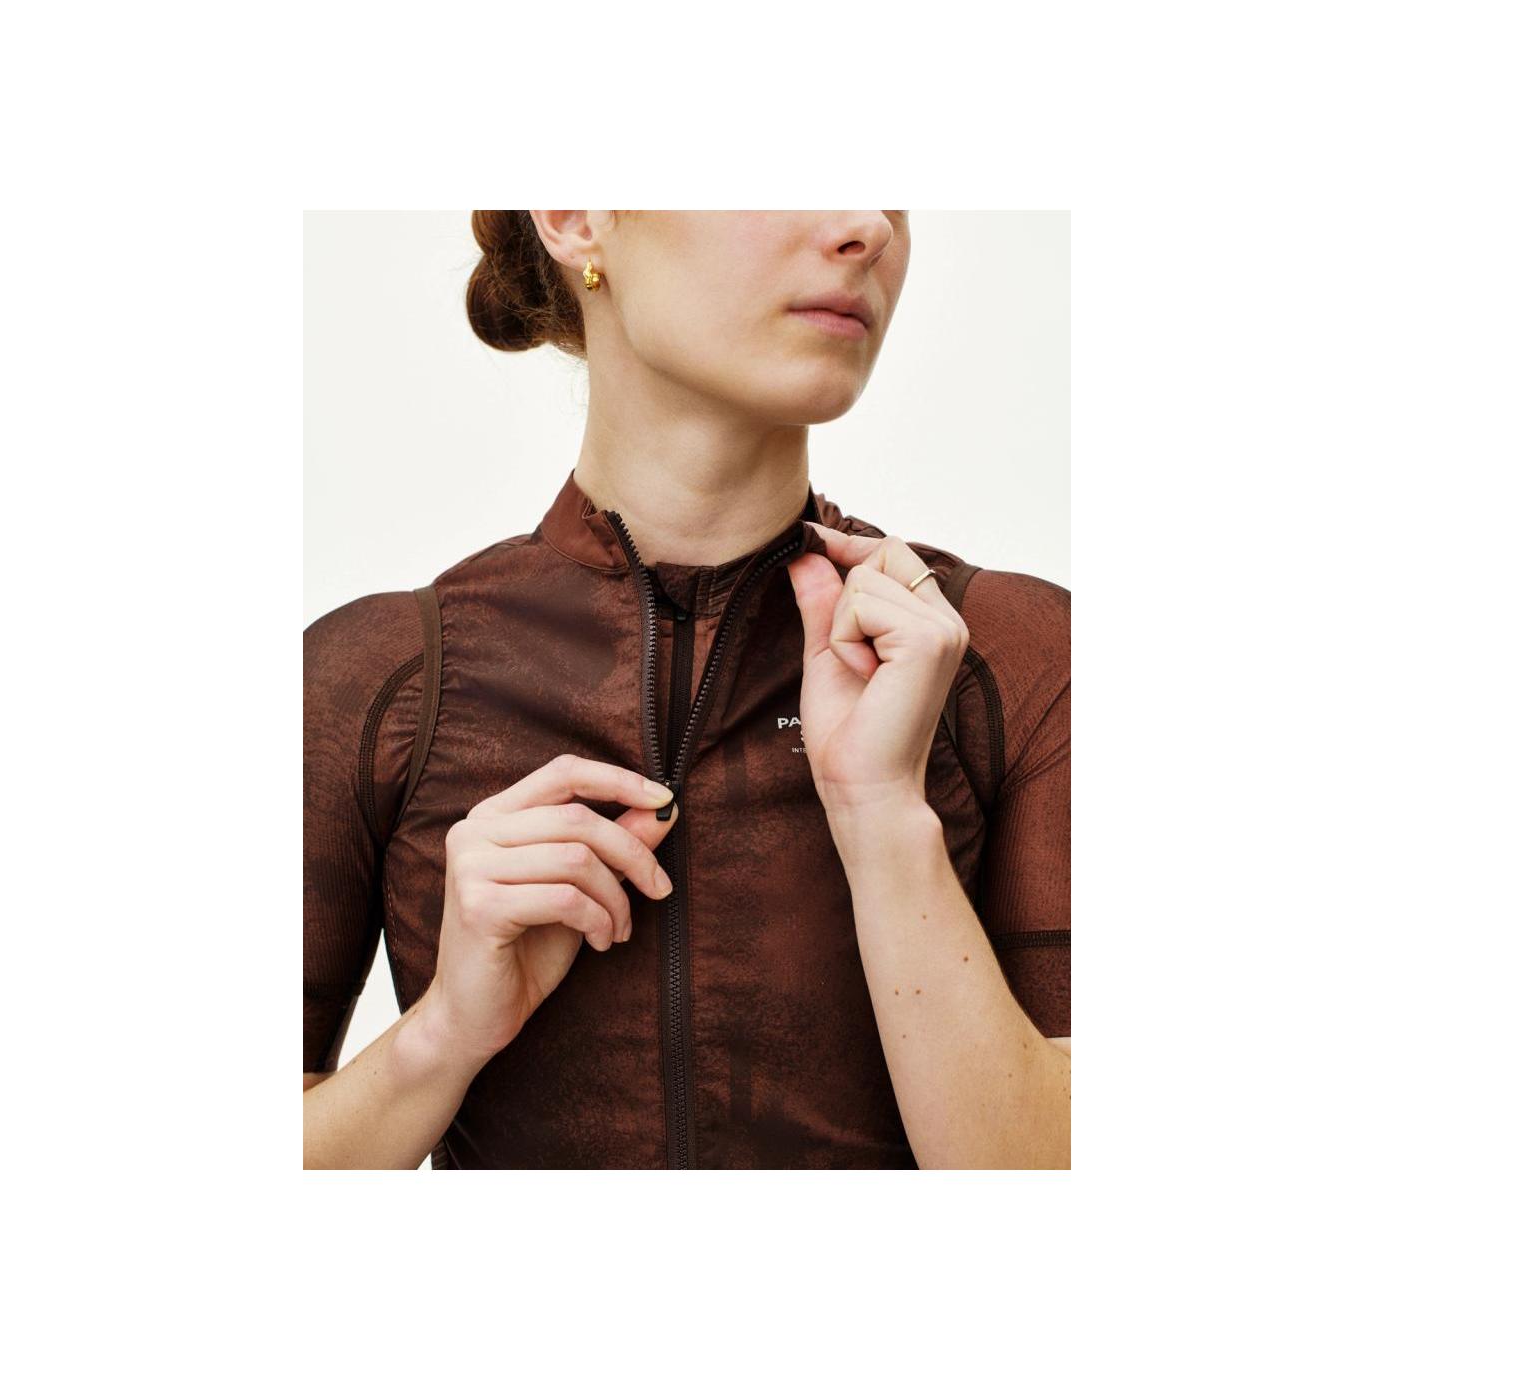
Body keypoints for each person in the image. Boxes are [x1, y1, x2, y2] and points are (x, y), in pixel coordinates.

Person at [304, 211, 1070, 1169]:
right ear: (576, 217)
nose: (867, 225)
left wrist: (885, 818)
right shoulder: (379, 683)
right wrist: (441, 1036)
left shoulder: (1011, 661)